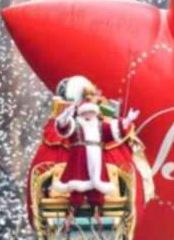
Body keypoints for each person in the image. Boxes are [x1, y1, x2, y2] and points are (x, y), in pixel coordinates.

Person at [53, 76, 139, 229]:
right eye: (86, 113)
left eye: (91, 113)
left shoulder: (99, 126)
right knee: (77, 185)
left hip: (97, 158)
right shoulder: (76, 124)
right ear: (81, 113)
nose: (88, 116)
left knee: (97, 187)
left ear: (95, 113)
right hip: (79, 157)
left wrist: (126, 121)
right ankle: (72, 213)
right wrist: (64, 118)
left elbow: (113, 131)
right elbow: (63, 129)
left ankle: (98, 212)